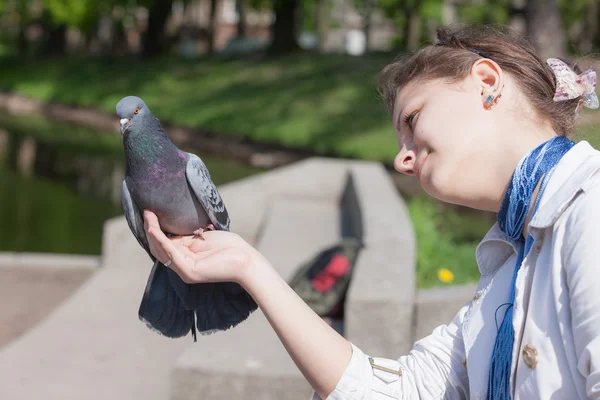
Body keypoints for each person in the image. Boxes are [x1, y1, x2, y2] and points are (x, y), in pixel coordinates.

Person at [142, 24, 600, 399]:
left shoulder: (589, 211)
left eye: (412, 120)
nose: (402, 159)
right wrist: (248, 266)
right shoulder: (508, 266)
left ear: (485, 82)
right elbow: (402, 391)